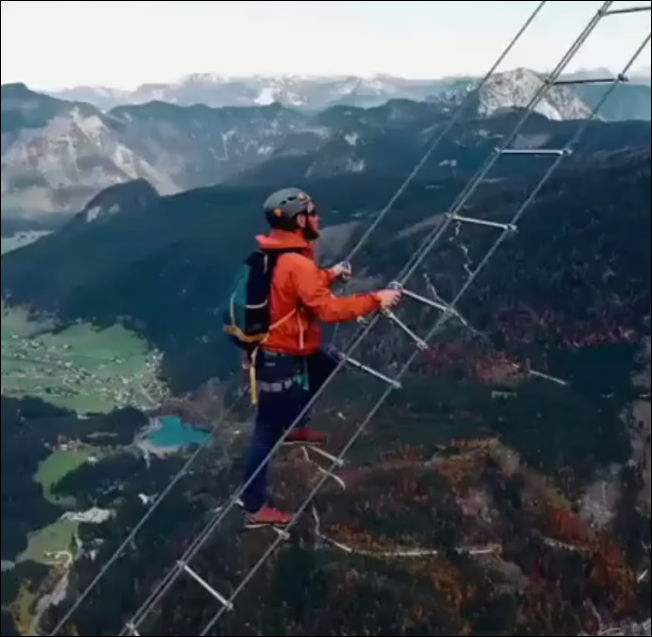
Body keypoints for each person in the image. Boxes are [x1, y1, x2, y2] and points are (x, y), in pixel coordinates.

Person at [242, 187, 401, 527]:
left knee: (324, 363)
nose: (318, 218)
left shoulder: (282, 252)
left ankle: (296, 425)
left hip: (283, 346)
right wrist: (376, 299)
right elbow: (328, 310)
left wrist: (330, 274)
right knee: (266, 431)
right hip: (278, 353)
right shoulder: (296, 261)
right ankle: (254, 505)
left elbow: (296, 286)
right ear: (298, 220)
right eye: (312, 213)